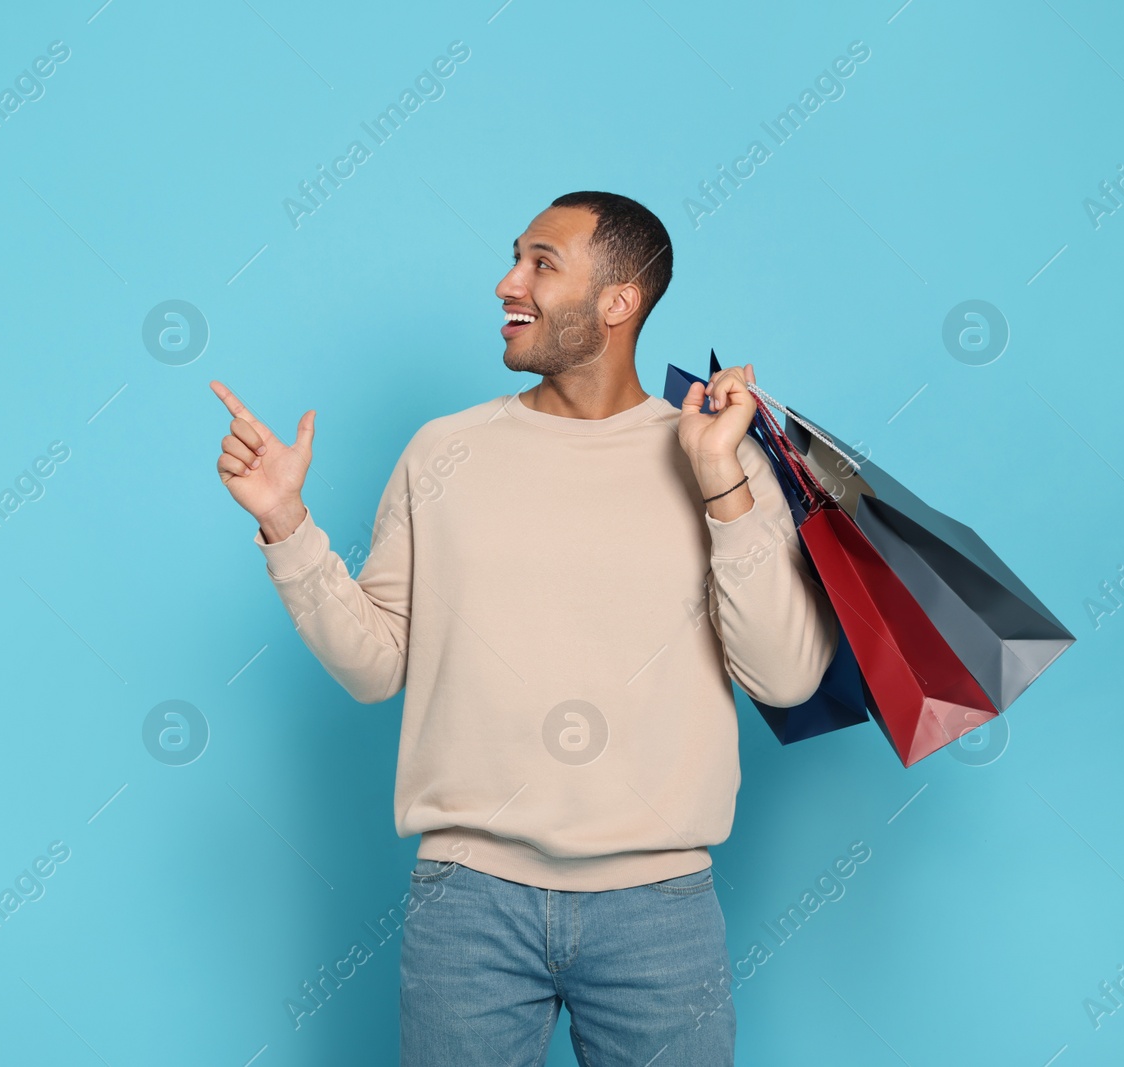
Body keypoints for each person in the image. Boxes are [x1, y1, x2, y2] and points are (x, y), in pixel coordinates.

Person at [210, 191, 839, 1066]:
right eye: (516, 257)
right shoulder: (443, 453)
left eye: (543, 262)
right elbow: (374, 665)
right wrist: (287, 524)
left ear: (620, 302)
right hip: (468, 905)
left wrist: (722, 482)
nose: (509, 281)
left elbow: (785, 675)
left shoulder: (714, 456)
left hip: (660, 908)